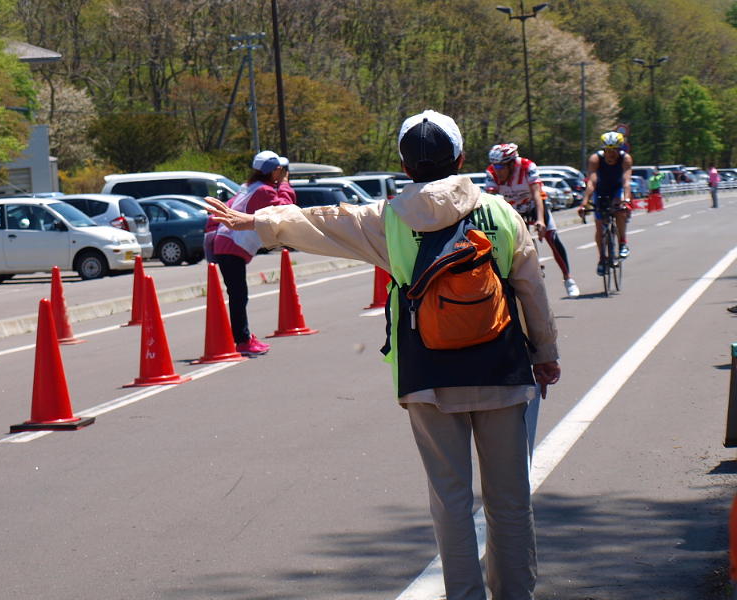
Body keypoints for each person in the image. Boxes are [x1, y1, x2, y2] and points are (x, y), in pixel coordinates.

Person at [206, 110, 560, 600]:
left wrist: (258, 220)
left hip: (427, 374)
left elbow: (321, 223)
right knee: (511, 501)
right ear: (461, 159)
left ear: (405, 165)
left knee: (451, 501)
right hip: (502, 366)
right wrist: (545, 353)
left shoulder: (388, 220)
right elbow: (530, 289)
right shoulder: (501, 213)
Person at [211, 150, 296, 355]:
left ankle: (243, 337)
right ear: (274, 171)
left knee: (238, 295)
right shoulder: (264, 191)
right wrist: (285, 185)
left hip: (225, 242)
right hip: (232, 245)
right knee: (239, 296)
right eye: (281, 170)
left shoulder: (248, 187)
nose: (283, 173)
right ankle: (242, 340)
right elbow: (285, 210)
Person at [485, 143, 579, 298]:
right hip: (513, 208)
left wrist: (540, 220)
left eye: (500, 167)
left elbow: (537, 194)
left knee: (552, 237)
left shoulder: (527, 166)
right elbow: (491, 199)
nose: (497, 170)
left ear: (511, 164)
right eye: (495, 166)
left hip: (533, 205)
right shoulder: (492, 172)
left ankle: (568, 279)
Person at [578, 131, 633, 276]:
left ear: (619, 150)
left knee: (620, 210)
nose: (611, 154)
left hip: (617, 189)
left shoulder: (625, 159)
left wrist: (626, 200)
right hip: (600, 190)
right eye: (608, 150)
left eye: (614, 150)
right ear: (603, 150)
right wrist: (584, 203)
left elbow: (626, 182)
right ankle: (602, 258)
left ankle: (622, 243)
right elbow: (591, 182)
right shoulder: (595, 159)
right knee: (599, 226)